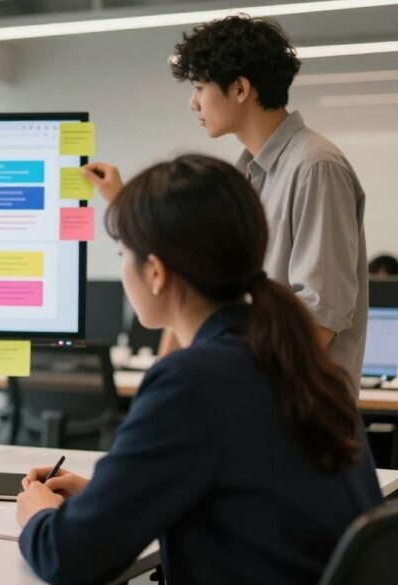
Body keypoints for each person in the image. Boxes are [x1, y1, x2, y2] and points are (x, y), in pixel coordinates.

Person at [17, 155, 381, 584]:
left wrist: (37, 514)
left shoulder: (194, 380)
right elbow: (242, 497)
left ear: (155, 272)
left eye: (121, 253)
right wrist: (102, 498)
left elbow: (67, 558)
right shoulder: (295, 359)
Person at [84, 15, 368, 394]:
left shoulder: (315, 166)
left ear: (239, 89)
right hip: (250, 397)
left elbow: (318, 320)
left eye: (200, 87)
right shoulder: (244, 175)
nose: (193, 102)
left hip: (296, 412)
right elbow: (196, 289)